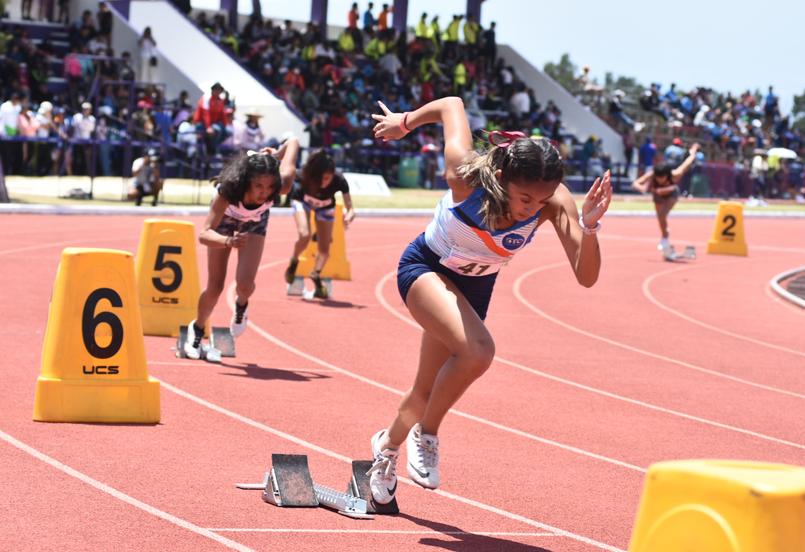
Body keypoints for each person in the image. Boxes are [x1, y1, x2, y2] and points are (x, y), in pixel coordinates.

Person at [365, 97, 611, 505]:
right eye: (524, 199)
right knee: (479, 352)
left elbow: (586, 278)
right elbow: (452, 105)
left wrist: (589, 225)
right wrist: (405, 122)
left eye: (541, 200)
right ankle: (426, 434)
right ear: (501, 177)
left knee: (424, 389)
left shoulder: (553, 202)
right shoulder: (465, 177)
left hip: (474, 289)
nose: (531, 209)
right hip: (427, 268)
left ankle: (385, 449)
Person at [183, 138, 300, 360]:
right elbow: (204, 234)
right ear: (246, 182)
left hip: (254, 223)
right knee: (215, 287)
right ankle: (197, 329)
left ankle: (241, 304)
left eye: (268, 187)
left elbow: (293, 141)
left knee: (245, 285)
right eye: (258, 186)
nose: (264, 193)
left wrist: (276, 155)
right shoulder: (229, 190)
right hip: (224, 224)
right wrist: (227, 241)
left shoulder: (282, 185)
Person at [284, 150, 356, 299]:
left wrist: (349, 215)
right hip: (303, 202)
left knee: (324, 251)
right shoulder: (304, 175)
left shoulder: (339, 180)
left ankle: (315, 274)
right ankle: (294, 261)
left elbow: (350, 208)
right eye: (320, 178)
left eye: (327, 178)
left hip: (325, 207)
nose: (324, 182)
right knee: (305, 235)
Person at [632, 143, 700, 251]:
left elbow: (686, 163)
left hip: (671, 194)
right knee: (660, 217)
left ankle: (664, 237)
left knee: (662, 214)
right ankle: (665, 235)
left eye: (662, 178)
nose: (660, 180)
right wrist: (642, 188)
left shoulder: (675, 174)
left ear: (667, 175)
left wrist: (693, 152)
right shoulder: (652, 174)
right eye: (658, 178)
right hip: (658, 195)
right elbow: (636, 182)